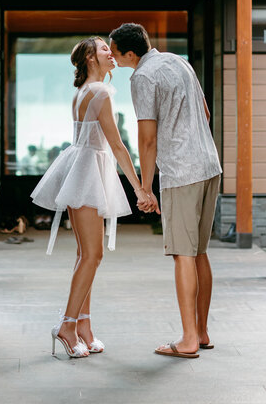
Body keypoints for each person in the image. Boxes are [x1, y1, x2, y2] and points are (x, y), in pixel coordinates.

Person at [31, 36, 151, 358]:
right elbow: (117, 145)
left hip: (83, 168)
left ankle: (82, 325)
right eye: (103, 49)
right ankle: (67, 326)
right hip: (87, 173)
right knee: (92, 255)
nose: (110, 52)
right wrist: (140, 188)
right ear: (89, 58)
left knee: (86, 253)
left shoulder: (83, 92)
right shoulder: (99, 92)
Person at [109, 23, 222, 359]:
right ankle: (200, 332)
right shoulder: (179, 61)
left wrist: (145, 186)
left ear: (131, 53)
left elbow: (147, 137)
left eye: (115, 52)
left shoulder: (142, 77)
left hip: (182, 173)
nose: (113, 59)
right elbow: (205, 111)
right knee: (199, 251)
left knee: (182, 253)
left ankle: (188, 340)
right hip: (208, 165)